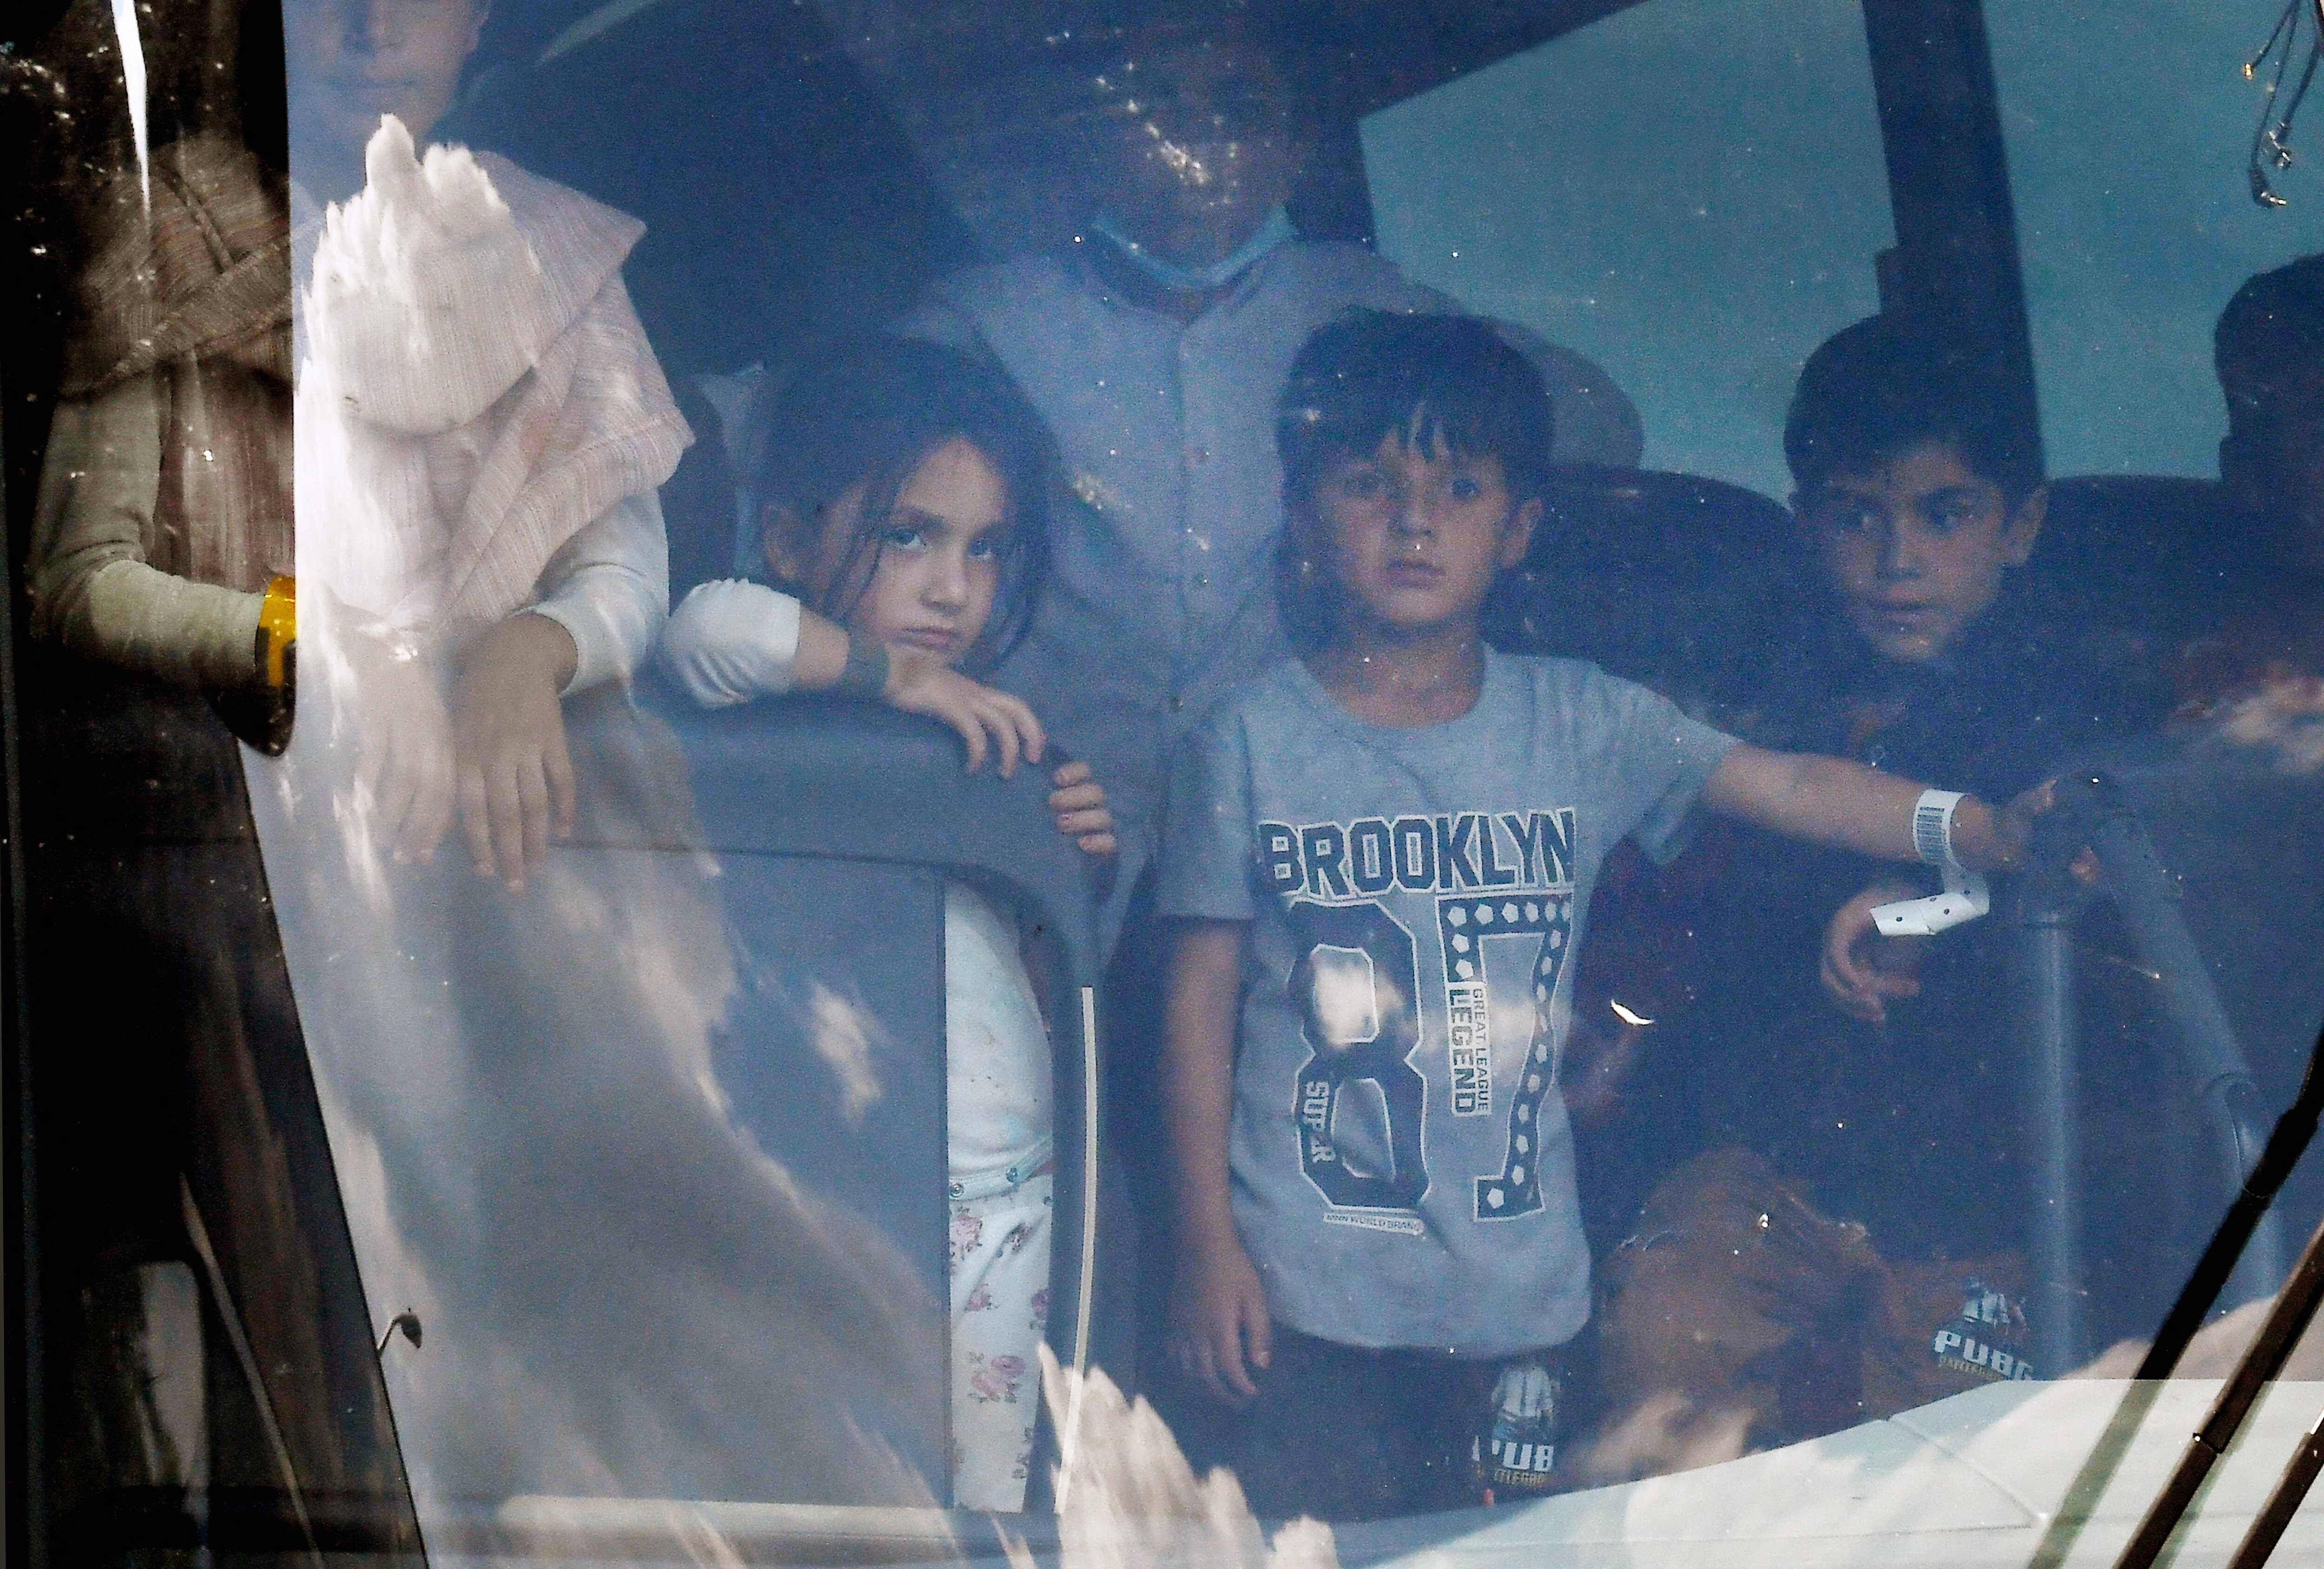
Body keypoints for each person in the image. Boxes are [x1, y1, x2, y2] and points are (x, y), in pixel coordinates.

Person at [1155, 310, 2040, 1521]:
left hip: (1523, 1295)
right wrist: (1206, 1250)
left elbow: (1788, 784)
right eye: (1369, 485)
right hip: (1304, 1290)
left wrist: (1976, 832)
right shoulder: (1244, 743)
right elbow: (1197, 998)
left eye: (1459, 488)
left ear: (1520, 529)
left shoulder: (1587, 725)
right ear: (1302, 516)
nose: (1415, 523)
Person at [902, 10, 1643, 904]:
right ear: (1093, 140)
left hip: (1282, 840)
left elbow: (1595, 419)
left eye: (1239, 108)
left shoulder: (1356, 307)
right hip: (1036, 813)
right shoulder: (987, 325)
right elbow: (783, 448)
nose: (1198, 141)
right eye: (1155, 105)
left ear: (1293, 151)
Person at [1590, 315, 2169, 1456]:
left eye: (1942, 514)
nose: (1896, 560)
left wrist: (1929, 888)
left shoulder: (2074, 697)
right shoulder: (1757, 688)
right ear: (1805, 522)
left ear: (2021, 525)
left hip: (1992, 1203)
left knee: (1954, 1482)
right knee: (1663, 1354)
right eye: (1857, 514)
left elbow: (2087, 843)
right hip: (1772, 1166)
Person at [658, 338, 1116, 1512]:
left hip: (1005, 1204)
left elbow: (1033, 981)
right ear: (790, 539)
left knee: (983, 1503)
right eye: (908, 534)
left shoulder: (994, 737)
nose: (951, 587)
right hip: (845, 1198)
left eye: (985, 547)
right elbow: (709, 629)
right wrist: (896, 682)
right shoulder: (778, 681)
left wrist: (1068, 852)